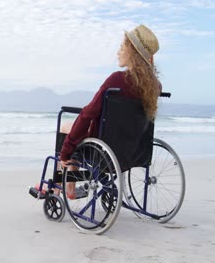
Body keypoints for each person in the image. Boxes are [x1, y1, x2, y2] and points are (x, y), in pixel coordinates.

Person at [59, 24, 162, 199]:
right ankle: (72, 178)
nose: (118, 52)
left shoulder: (117, 80)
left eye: (122, 47)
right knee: (76, 132)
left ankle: (65, 184)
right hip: (133, 152)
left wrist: (66, 151)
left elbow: (88, 114)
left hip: (105, 151)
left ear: (132, 52)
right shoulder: (155, 87)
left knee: (66, 128)